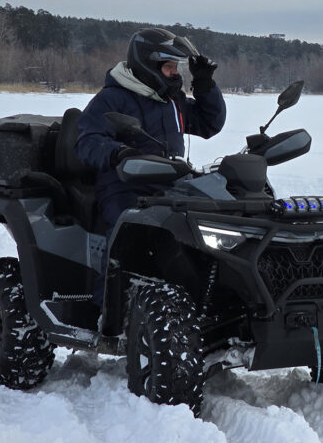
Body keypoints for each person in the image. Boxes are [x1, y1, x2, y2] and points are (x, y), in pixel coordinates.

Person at [75, 28, 227, 300]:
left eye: (176, 68)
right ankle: (107, 309)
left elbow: (208, 124)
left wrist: (205, 84)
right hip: (125, 185)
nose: (175, 74)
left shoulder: (172, 100)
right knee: (127, 234)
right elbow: (87, 141)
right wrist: (119, 152)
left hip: (173, 183)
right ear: (148, 65)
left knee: (208, 230)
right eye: (169, 68)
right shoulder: (113, 98)